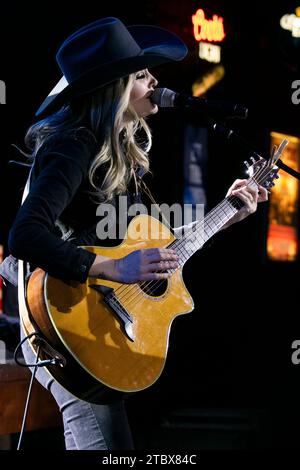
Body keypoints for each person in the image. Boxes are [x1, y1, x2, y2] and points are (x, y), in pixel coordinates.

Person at [6, 17, 268, 450]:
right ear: (115, 88)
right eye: (142, 75)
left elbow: (153, 245)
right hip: (62, 323)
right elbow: (25, 234)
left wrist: (228, 214)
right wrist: (114, 267)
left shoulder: (117, 150)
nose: (155, 83)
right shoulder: (74, 143)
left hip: (96, 321)